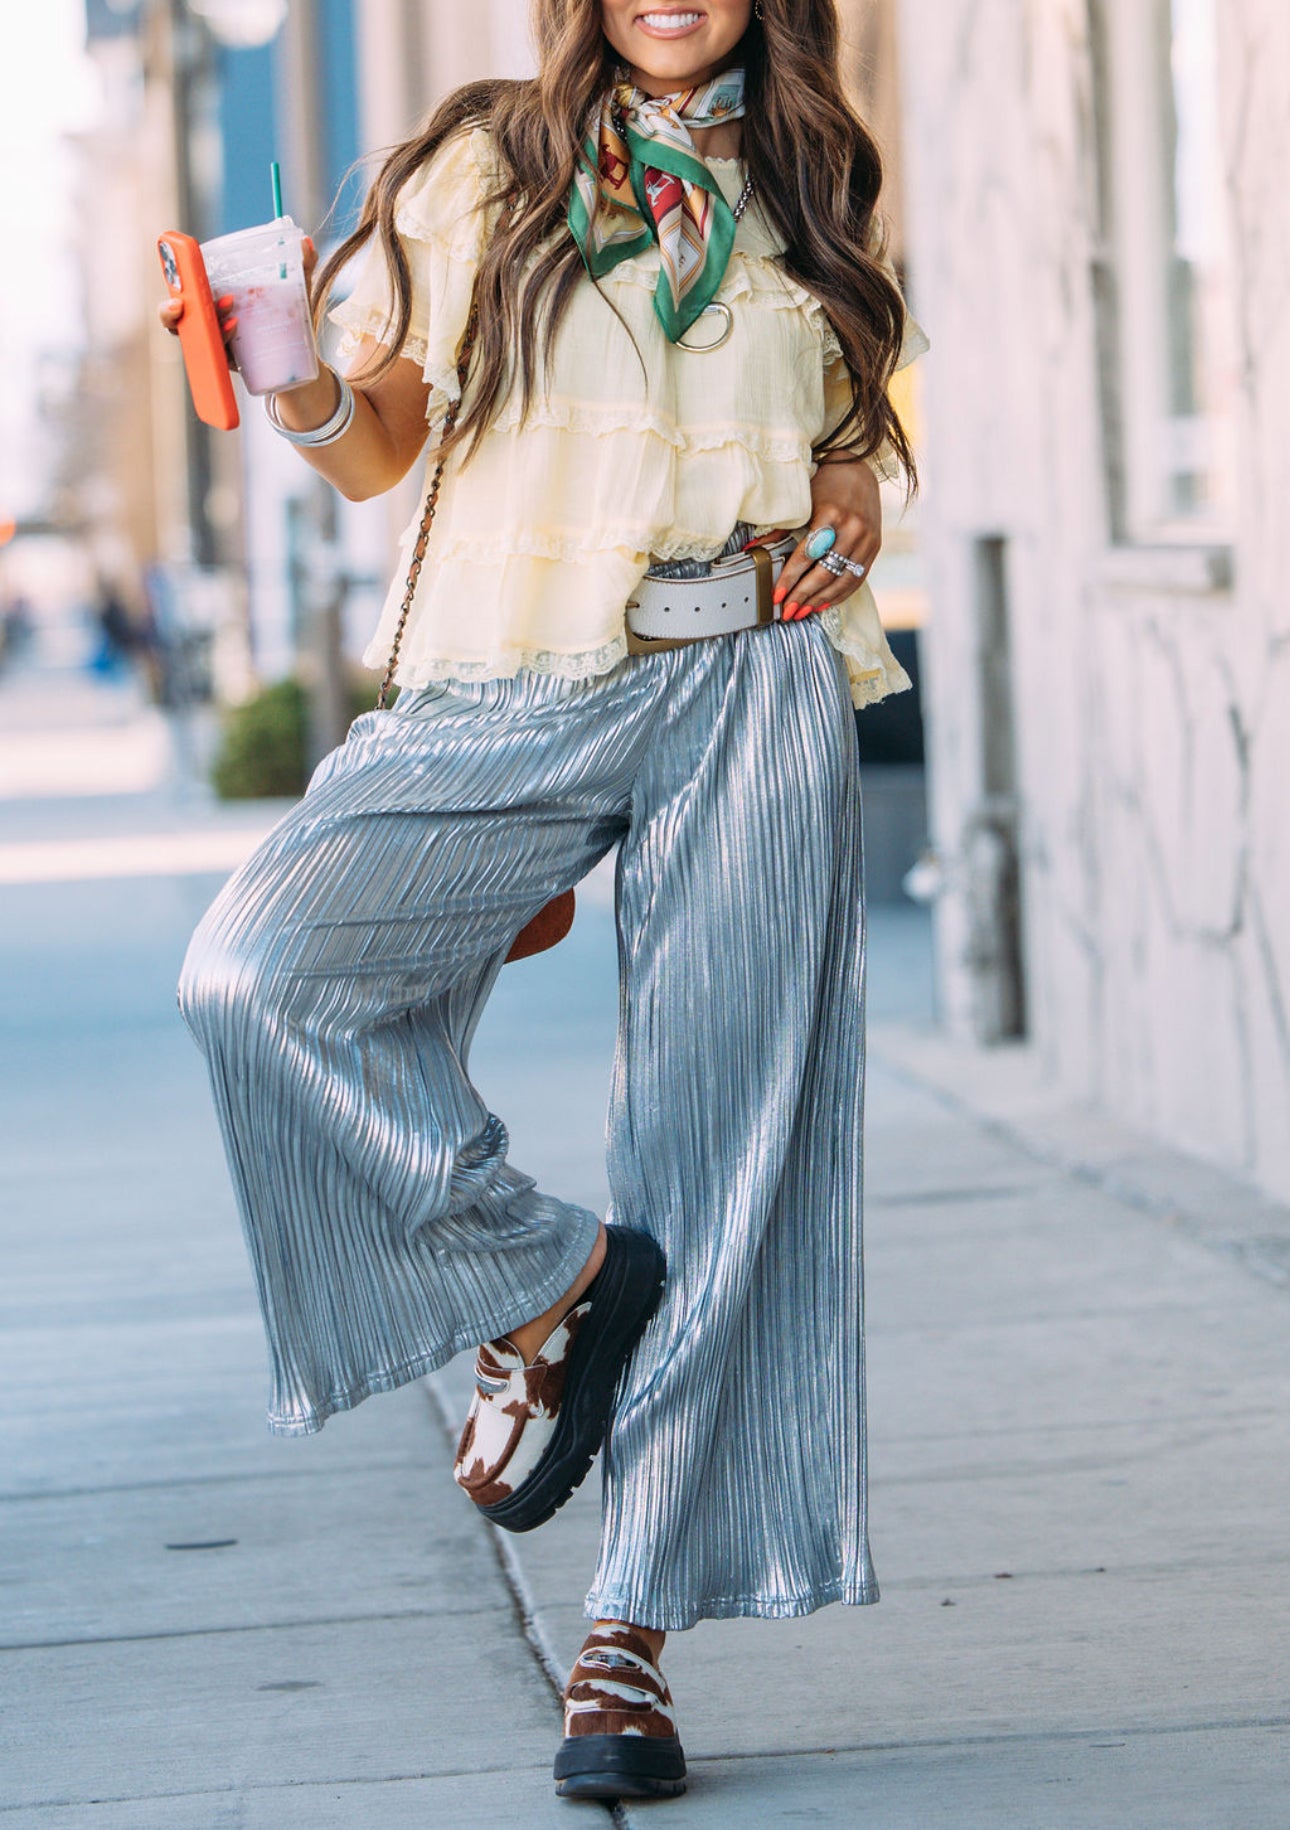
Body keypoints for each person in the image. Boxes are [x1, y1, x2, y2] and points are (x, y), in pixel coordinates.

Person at [165, 0, 926, 1803]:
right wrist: (287, 375)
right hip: (522, 675)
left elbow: (842, 430)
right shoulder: (475, 164)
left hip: (754, 672)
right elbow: (378, 446)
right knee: (255, 974)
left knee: (728, 1140)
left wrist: (848, 495)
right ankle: (545, 1280)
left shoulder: (808, 167)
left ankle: (628, 1638)